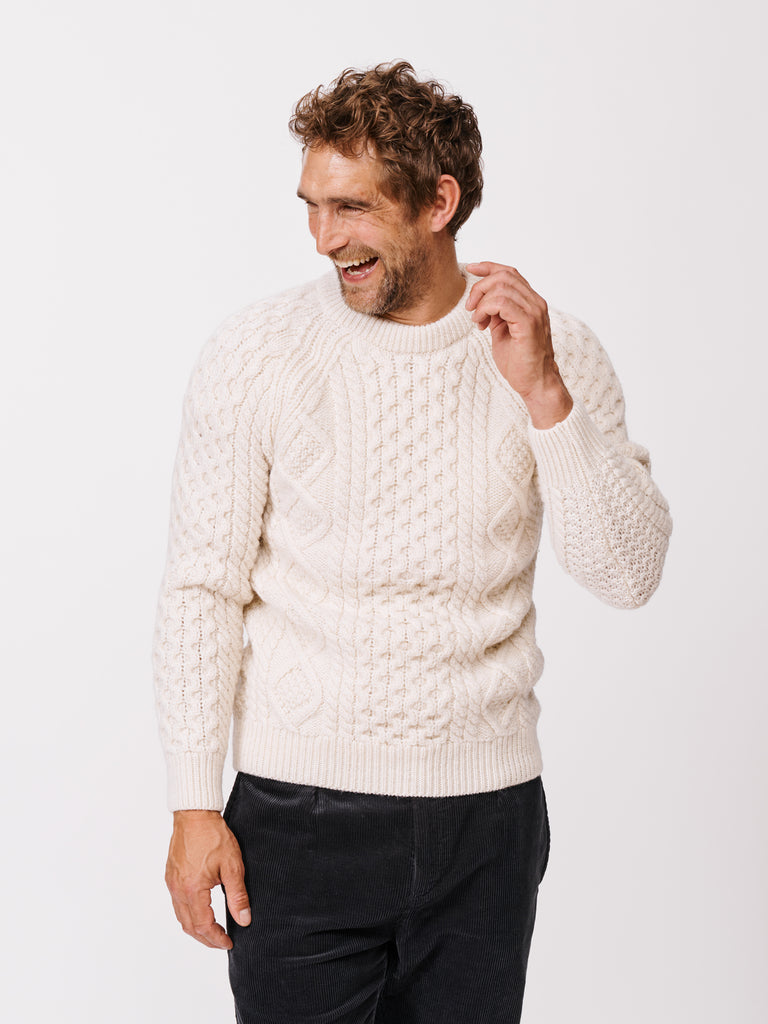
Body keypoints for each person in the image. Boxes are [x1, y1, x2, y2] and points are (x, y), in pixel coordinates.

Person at [154, 61, 672, 1024]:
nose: (323, 238)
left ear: (440, 202)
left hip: (488, 822)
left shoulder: (552, 352)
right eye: (312, 207)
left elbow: (629, 573)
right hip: (297, 820)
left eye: (351, 207)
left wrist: (546, 397)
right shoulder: (256, 353)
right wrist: (192, 803)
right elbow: (201, 589)